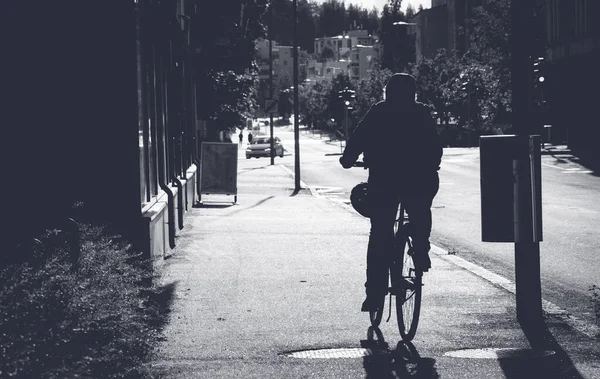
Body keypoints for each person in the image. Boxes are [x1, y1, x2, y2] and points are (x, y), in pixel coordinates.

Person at [339, 73, 443, 312]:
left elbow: (358, 138)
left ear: (388, 92)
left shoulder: (379, 112)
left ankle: (375, 294)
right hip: (418, 178)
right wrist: (431, 164)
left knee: (380, 233)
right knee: (420, 210)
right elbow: (435, 145)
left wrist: (348, 159)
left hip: (384, 180)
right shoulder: (421, 113)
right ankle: (421, 248)